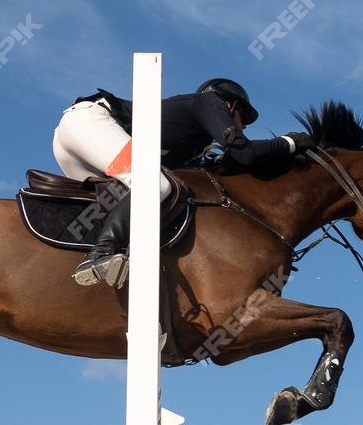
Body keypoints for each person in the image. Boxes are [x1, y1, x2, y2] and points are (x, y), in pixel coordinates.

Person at [52, 78, 307, 286]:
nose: (242, 127)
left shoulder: (191, 140)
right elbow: (245, 152)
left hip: (76, 138)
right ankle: (100, 253)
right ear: (230, 106)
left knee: (133, 202)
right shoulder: (210, 101)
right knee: (156, 185)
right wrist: (291, 142)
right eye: (243, 119)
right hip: (90, 123)